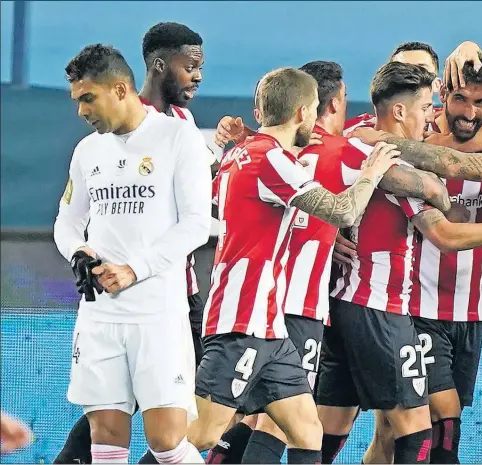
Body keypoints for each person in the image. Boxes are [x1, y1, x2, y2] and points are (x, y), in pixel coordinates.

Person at [315, 61, 482, 465]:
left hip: (470, 311)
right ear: (438, 100)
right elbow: (326, 158)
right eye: (458, 99)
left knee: (382, 433)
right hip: (412, 309)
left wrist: (479, 55)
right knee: (431, 429)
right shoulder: (399, 148)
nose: (469, 111)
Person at [185, 66, 401, 465]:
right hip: (242, 319)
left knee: (306, 429)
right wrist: (371, 172)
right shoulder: (271, 158)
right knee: (199, 434)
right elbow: (342, 210)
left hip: (270, 323)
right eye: (315, 110)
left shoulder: (240, 155)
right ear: (303, 112)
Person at [54, 23, 213, 465]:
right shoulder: (88, 151)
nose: (82, 110)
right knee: (105, 443)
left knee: (167, 444)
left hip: (157, 313)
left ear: (120, 88)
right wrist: (79, 252)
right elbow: (66, 224)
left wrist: (134, 269)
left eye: (88, 98)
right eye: (77, 100)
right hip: (100, 316)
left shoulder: (177, 137)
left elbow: (198, 224)